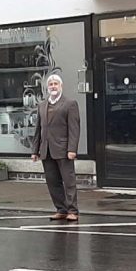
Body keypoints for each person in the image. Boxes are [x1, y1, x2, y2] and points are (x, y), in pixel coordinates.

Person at [31, 74, 80, 222]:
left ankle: (72, 210)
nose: (53, 86)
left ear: (61, 86)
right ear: (47, 87)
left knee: (68, 181)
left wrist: (72, 149)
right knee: (52, 182)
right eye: (51, 84)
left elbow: (74, 129)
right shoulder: (42, 105)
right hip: (46, 150)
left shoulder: (70, 104)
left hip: (63, 150)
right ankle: (61, 209)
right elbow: (38, 129)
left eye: (55, 84)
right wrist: (35, 150)